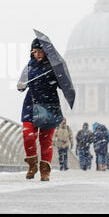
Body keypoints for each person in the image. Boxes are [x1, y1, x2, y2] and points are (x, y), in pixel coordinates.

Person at [17, 38, 63, 181]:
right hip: (31, 103)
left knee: (46, 140)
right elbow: (21, 84)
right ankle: (32, 164)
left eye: (39, 51)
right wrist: (21, 85)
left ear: (46, 52)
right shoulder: (29, 67)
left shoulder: (55, 67)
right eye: (34, 52)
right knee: (28, 134)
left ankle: (45, 170)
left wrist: (56, 76)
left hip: (48, 104)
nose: (36, 54)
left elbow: (63, 85)